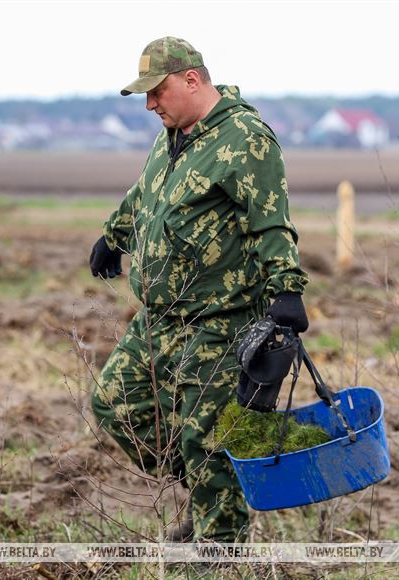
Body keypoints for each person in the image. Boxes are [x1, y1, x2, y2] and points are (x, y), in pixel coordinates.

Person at [89, 36, 309, 543]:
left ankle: (220, 551)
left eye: (156, 91)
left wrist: (287, 292)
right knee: (114, 402)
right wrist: (114, 236)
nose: (149, 105)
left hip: (220, 321)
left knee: (207, 441)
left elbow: (271, 224)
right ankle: (211, 487)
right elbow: (147, 193)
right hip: (160, 318)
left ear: (192, 80)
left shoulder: (246, 139)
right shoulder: (174, 135)